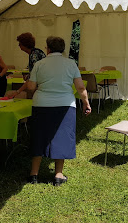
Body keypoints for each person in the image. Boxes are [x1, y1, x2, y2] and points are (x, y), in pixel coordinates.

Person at [27, 36, 91, 186]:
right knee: (61, 137)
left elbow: (30, 87)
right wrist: (86, 103)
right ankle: (58, 174)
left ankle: (33, 174)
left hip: (41, 104)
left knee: (39, 137)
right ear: (62, 49)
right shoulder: (70, 64)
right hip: (65, 104)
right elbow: (80, 87)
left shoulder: (39, 64)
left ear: (47, 48)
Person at [9, 32, 46, 98]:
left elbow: (35, 75)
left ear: (25, 44)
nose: (19, 46)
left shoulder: (34, 55)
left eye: (19, 44)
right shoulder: (35, 53)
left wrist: (18, 91)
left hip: (42, 88)